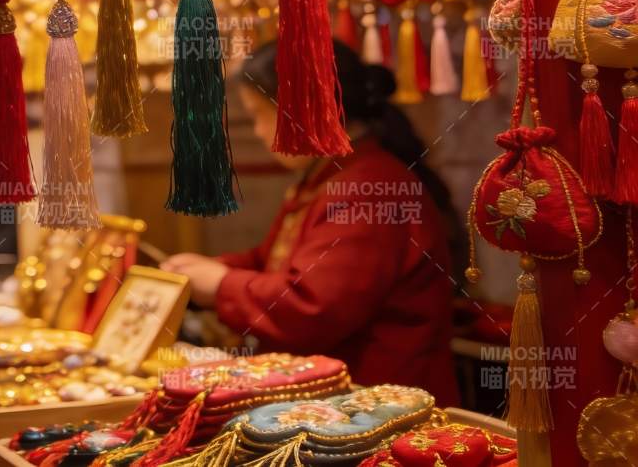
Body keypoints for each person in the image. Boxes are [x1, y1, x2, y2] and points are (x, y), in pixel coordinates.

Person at [163, 40, 462, 404]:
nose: (257, 132)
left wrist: (222, 284)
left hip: (381, 403)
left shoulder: (371, 186)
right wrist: (215, 268)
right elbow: (276, 260)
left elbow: (312, 309)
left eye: (259, 114)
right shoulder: (330, 175)